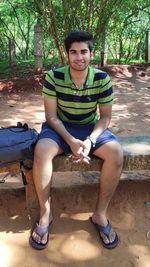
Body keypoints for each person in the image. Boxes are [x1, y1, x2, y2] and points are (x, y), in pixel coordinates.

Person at [30, 30, 123, 250]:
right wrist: (71, 140)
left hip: (91, 128)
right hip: (60, 127)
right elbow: (51, 117)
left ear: (91, 54)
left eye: (84, 52)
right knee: (41, 151)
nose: (78, 57)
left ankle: (100, 215)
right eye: (74, 52)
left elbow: (106, 117)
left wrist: (90, 140)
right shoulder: (53, 77)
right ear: (67, 54)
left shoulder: (102, 78)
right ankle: (45, 214)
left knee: (116, 153)